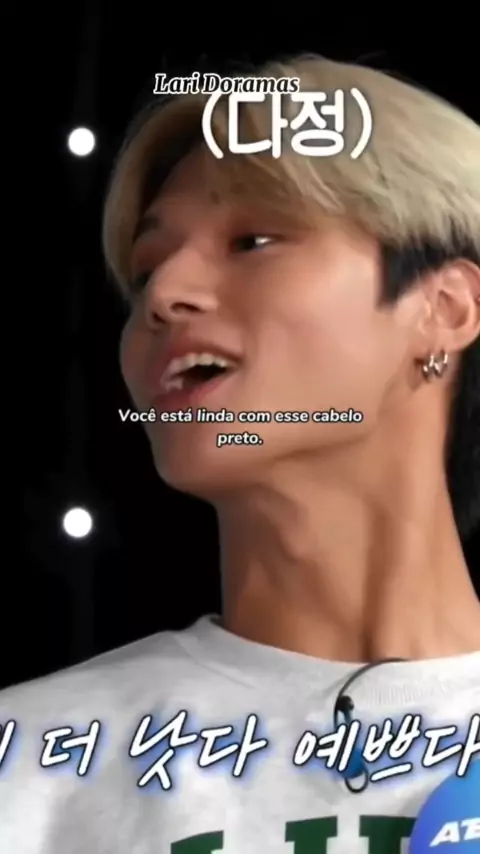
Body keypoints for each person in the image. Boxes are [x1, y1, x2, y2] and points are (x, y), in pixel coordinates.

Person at [4, 54, 480, 853]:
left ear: (444, 307)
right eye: (145, 270)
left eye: (253, 240)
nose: (162, 296)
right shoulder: (28, 761)